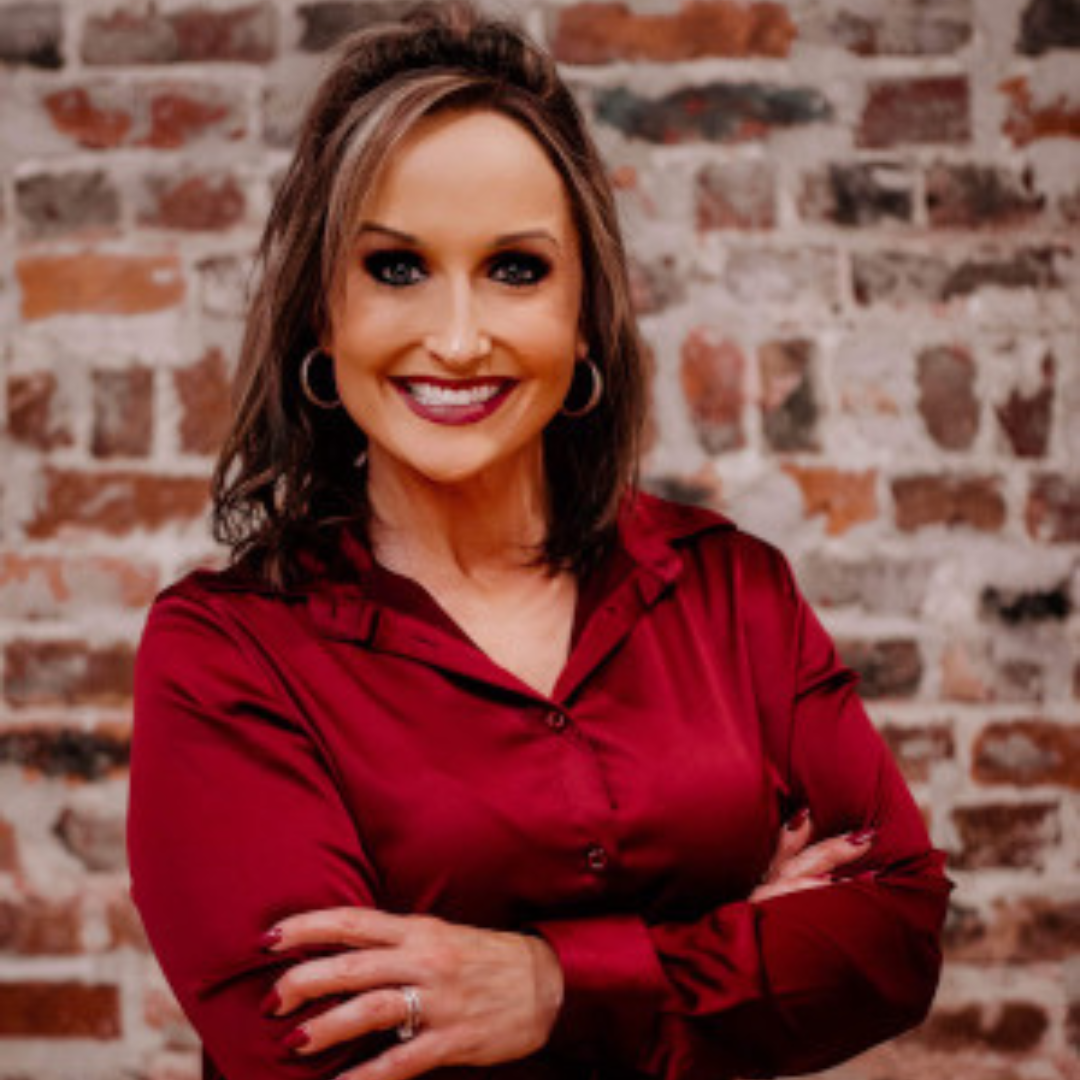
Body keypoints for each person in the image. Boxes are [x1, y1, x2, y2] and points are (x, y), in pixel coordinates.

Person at [127, 4, 952, 1079]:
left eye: (516, 269)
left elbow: (890, 937)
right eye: (396, 268)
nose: (460, 336)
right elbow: (320, 1050)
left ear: (582, 316)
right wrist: (730, 952)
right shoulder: (226, 655)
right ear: (320, 318)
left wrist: (548, 985)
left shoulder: (730, 592)